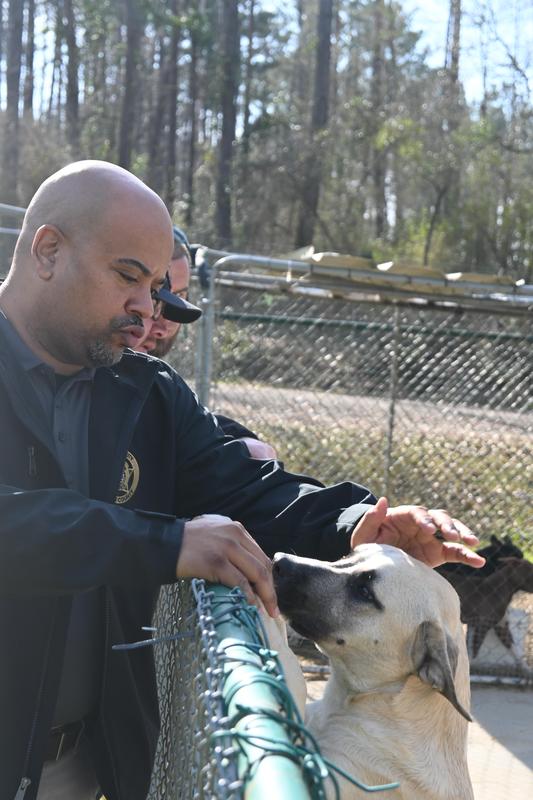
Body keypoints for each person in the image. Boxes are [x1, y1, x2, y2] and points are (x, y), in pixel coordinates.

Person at [0, 160, 484, 800]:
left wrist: (354, 525)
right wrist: (164, 544)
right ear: (48, 249)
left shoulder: (143, 392)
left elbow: (247, 489)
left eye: (153, 286)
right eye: (127, 277)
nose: (146, 311)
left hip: (82, 764)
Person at [136, 223, 278, 459]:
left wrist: (241, 442)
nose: (163, 326)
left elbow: (185, 423)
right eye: (153, 295)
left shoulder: (160, 389)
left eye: (179, 296)